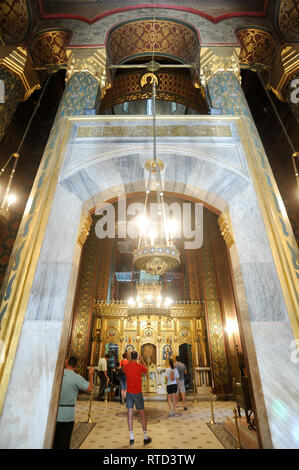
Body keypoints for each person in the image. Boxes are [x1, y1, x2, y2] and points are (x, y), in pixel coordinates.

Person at [53, 356, 94, 449]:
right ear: (76, 367)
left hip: (54, 414)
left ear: (67, 363)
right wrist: (90, 375)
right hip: (67, 415)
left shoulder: (57, 374)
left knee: (54, 441)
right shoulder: (76, 378)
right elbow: (89, 388)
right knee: (64, 442)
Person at [123, 350, 152, 446]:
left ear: (131, 357)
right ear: (137, 357)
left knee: (130, 414)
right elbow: (147, 370)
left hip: (129, 393)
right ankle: (145, 437)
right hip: (138, 392)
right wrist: (142, 360)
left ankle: (131, 437)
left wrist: (129, 360)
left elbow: (124, 369)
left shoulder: (127, 366)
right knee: (142, 414)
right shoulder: (139, 366)